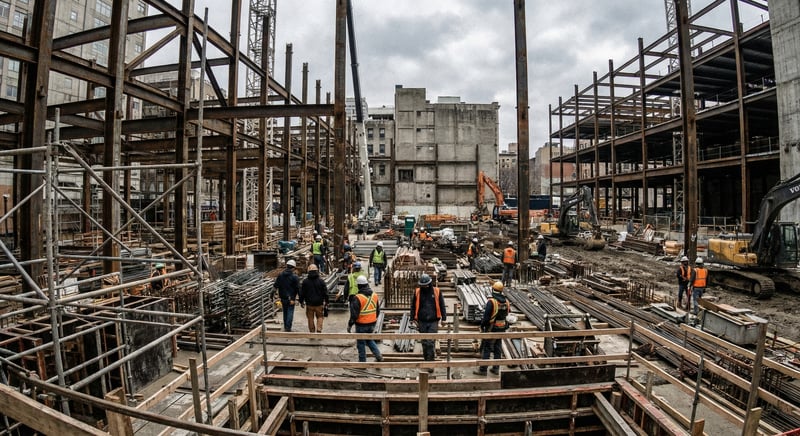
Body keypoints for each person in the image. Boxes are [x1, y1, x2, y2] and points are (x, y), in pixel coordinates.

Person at [410, 274, 447, 371]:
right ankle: (426, 360)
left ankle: (430, 363)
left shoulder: (436, 291)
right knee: (424, 342)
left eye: (426, 285)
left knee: (430, 342)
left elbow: (442, 305)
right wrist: (412, 318)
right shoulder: (417, 292)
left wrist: (444, 319)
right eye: (423, 285)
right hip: (421, 321)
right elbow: (413, 305)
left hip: (433, 320)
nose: (425, 287)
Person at [475, 281, 510, 376]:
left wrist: (482, 326)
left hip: (492, 328)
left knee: (487, 348)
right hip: (502, 328)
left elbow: (486, 318)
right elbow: (507, 314)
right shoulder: (506, 302)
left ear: (493, 290)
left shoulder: (492, 302)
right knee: (497, 348)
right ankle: (496, 368)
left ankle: (483, 370)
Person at [348, 275, 383, 363]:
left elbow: (354, 315)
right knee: (369, 339)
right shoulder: (374, 295)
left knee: (361, 343)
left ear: (359, 286)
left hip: (361, 324)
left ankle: (362, 362)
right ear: (367, 284)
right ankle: (378, 355)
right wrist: (373, 319)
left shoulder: (357, 298)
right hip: (372, 323)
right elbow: (377, 310)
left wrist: (350, 325)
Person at [299, 264, 329, 333]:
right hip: (319, 303)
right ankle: (319, 329)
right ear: (317, 271)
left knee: (310, 318)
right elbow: (325, 292)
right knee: (320, 317)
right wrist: (327, 301)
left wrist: (301, 301)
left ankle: (312, 332)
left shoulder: (305, 282)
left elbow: (302, 293)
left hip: (309, 304)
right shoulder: (321, 281)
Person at [273, 259, 300, 331]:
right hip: (291, 298)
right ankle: (288, 328)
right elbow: (298, 288)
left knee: (285, 312)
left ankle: (286, 326)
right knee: (290, 312)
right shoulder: (294, 277)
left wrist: (272, 294)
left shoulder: (281, 275)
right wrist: (300, 299)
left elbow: (275, 285)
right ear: (293, 268)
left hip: (283, 297)